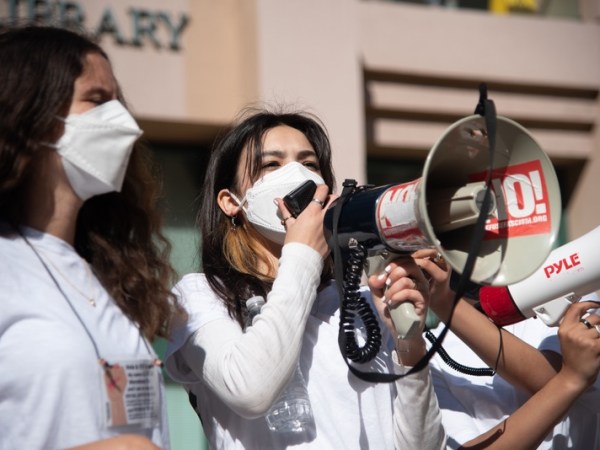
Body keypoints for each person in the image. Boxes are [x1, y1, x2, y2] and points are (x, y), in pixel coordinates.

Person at [164, 108, 446, 449]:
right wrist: (303, 255)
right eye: (272, 165)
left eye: (309, 164)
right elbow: (251, 391)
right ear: (230, 202)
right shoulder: (201, 295)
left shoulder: (360, 298)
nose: (296, 175)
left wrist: (410, 345)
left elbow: (424, 446)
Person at [0, 25, 180, 449]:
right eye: (98, 100)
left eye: (118, 102)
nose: (124, 123)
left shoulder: (109, 274)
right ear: (32, 114)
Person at [413, 249, 600, 449]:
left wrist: (445, 303)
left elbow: (552, 378)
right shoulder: (429, 352)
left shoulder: (561, 280)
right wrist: (443, 300)